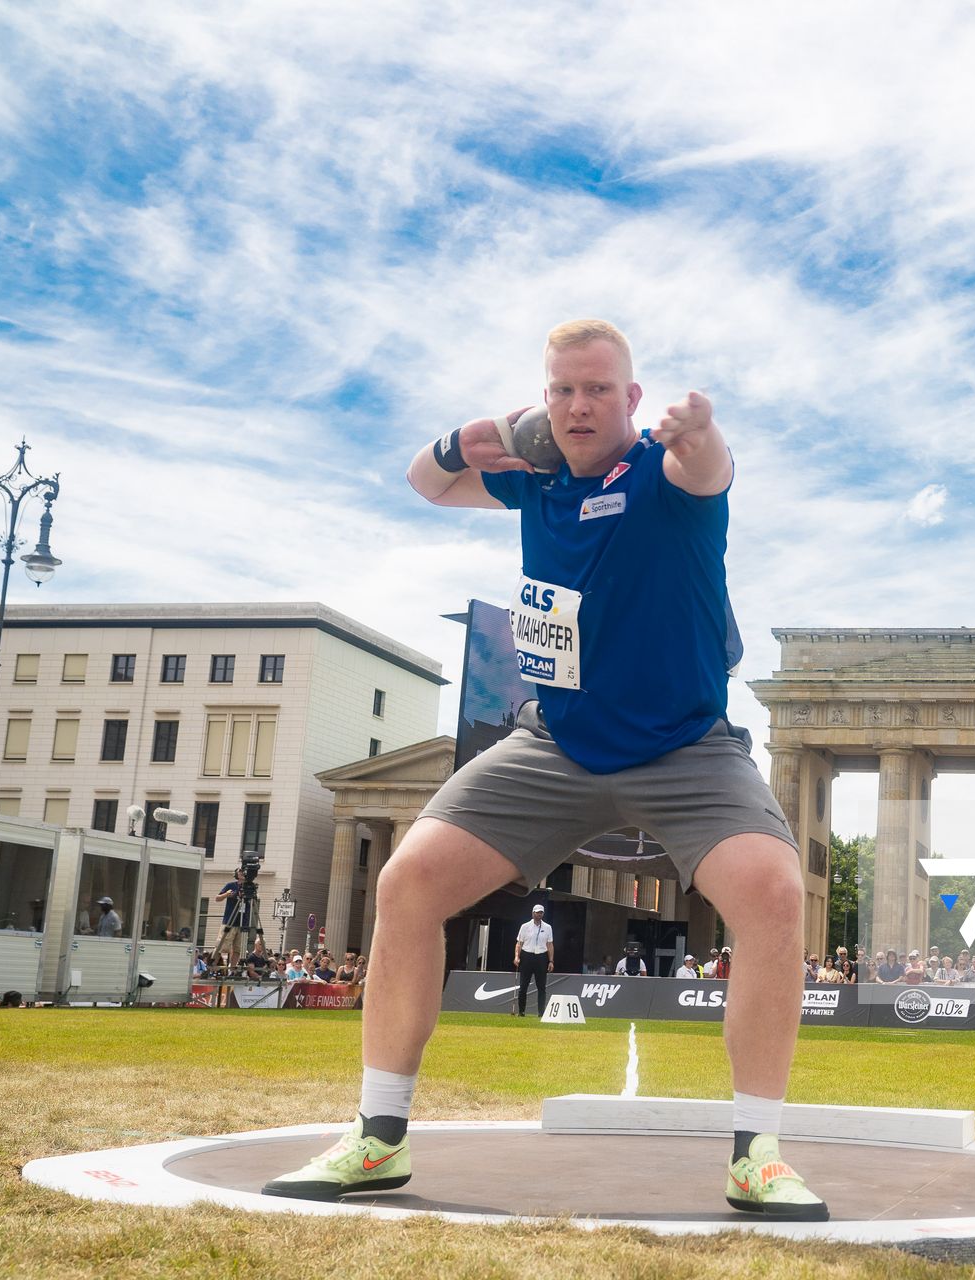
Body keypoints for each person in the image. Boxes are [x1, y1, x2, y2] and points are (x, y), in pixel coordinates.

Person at [263, 321, 822, 1218]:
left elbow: (707, 469)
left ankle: (757, 1154)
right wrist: (459, 439)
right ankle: (377, 1137)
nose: (578, 405)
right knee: (407, 882)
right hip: (555, 743)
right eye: (562, 389)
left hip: (685, 746)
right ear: (544, 398)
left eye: (598, 388)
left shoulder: (664, 473)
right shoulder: (538, 482)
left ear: (630, 400)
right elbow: (427, 483)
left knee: (774, 891)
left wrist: (701, 429)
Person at [510, 905, 556, 1016]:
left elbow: (549, 945)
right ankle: (521, 1012)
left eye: (540, 913)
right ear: (532, 913)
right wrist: (517, 956)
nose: (538, 914)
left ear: (543, 914)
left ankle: (541, 1012)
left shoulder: (548, 927)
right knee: (523, 986)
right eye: (537, 912)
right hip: (527, 957)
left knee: (541, 987)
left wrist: (551, 961)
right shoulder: (525, 926)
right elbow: (519, 943)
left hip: (541, 957)